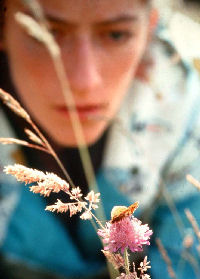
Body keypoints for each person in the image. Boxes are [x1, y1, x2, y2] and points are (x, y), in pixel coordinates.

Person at [0, 0, 200, 278]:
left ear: (149, 30)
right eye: (47, 32)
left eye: (116, 34)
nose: (85, 80)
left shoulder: (183, 111)